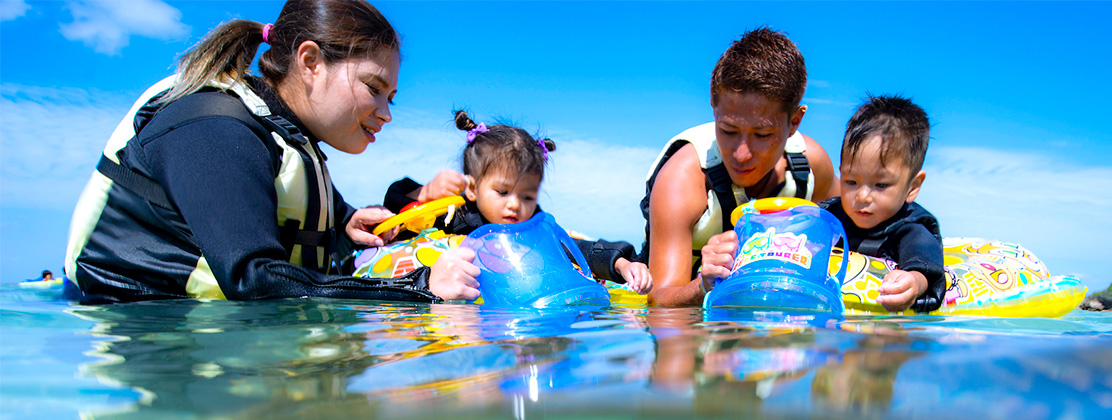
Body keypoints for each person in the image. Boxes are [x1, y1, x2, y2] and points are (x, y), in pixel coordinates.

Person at [63, 0, 479, 304]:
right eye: (373, 88)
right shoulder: (214, 129)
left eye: (391, 96)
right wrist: (418, 287)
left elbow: (293, 212)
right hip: (141, 337)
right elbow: (254, 279)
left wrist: (347, 220)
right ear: (310, 61)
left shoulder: (286, 135)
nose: (386, 113)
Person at [640, 27, 840, 306]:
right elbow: (659, 300)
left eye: (762, 135)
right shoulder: (683, 178)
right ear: (713, 107)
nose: (742, 154)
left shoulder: (811, 167)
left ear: (794, 122)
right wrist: (705, 284)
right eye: (728, 130)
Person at [700, 95, 945, 312]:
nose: (862, 196)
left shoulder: (911, 230)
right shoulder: (826, 216)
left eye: (880, 185)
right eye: (851, 181)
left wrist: (914, 281)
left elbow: (924, 266)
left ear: (913, 187)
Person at [378, 111, 652, 293]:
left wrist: (622, 264)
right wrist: (424, 191)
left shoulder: (533, 226)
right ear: (472, 188)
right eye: (502, 192)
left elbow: (576, 248)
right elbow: (397, 209)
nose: (515, 205)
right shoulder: (456, 213)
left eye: (527, 196)